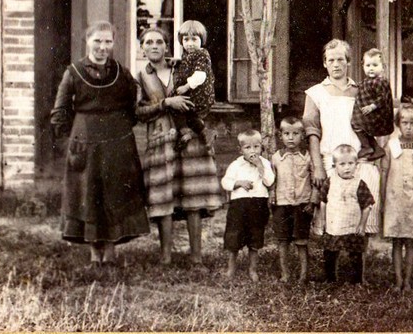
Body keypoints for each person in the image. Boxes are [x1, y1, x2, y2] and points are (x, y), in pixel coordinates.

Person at [50, 21, 149, 263]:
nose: (102, 47)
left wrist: (122, 130)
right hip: (85, 141)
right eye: (98, 41)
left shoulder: (121, 72)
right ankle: (95, 252)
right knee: (89, 195)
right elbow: (60, 111)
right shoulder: (73, 72)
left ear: (113, 44)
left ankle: (112, 250)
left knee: (115, 193)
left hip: (117, 143)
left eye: (108, 42)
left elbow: (132, 107)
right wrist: (70, 140)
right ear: (88, 41)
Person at [135, 27, 224, 266]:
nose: (154, 46)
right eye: (148, 43)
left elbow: (202, 90)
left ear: (167, 46)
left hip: (189, 140)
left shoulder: (182, 67)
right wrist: (165, 103)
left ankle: (196, 256)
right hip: (160, 140)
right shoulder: (142, 77)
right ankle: (165, 256)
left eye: (159, 42)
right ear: (142, 48)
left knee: (193, 195)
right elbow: (138, 112)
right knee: (164, 198)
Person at [303, 39, 381, 240]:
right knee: (331, 221)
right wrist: (318, 166)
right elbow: (312, 132)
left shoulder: (361, 91)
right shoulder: (315, 93)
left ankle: (358, 268)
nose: (336, 64)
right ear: (324, 63)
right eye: (331, 60)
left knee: (362, 216)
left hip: (360, 162)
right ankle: (331, 265)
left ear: (348, 62)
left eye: (340, 59)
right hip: (330, 161)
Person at [380, 102, 413, 291]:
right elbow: (384, 173)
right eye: (405, 123)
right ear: (398, 124)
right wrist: (383, 199)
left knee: (411, 241)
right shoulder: (391, 145)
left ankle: (408, 281)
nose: (408, 127)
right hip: (395, 200)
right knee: (396, 241)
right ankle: (398, 280)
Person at [271, 117, 320, 283]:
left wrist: (312, 202)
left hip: (302, 205)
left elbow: (315, 181)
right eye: (286, 134)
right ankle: (285, 274)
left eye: (295, 134)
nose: (290, 138)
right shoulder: (276, 158)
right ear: (280, 136)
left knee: (301, 241)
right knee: (282, 240)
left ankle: (303, 275)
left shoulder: (307, 157)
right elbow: (272, 180)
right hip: (282, 204)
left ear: (303, 135)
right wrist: (272, 197)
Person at [221, 129, 274, 280]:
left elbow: (269, 181)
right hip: (239, 205)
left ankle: (253, 269)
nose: (252, 151)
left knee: (255, 237)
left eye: (256, 147)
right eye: (248, 148)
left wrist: (260, 167)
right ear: (240, 150)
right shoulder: (236, 165)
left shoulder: (264, 163)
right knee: (234, 237)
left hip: (258, 204)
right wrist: (237, 183)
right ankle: (231, 268)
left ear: (261, 147)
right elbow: (225, 181)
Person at [322, 144, 375, 284]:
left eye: (351, 163)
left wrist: (362, 226)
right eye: (342, 164)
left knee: (355, 253)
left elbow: (367, 206)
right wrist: (322, 220)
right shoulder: (330, 181)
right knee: (330, 252)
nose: (347, 167)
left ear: (356, 165)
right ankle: (330, 279)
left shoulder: (359, 183)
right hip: (334, 226)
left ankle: (357, 281)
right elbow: (323, 201)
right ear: (335, 166)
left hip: (353, 226)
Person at [170, 20, 216, 153]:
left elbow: (200, 76)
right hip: (194, 95)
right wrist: (178, 62)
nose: (190, 44)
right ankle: (197, 133)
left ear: (202, 40)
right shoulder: (189, 55)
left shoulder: (202, 55)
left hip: (199, 94)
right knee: (189, 115)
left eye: (194, 39)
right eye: (186, 40)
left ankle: (190, 133)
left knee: (178, 109)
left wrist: (186, 87)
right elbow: (187, 64)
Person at [352, 48, 394, 161]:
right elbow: (361, 86)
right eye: (368, 65)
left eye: (375, 65)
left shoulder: (380, 81)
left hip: (377, 114)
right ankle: (376, 148)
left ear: (383, 67)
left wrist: (372, 106)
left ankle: (366, 147)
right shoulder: (367, 80)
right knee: (363, 127)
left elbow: (383, 98)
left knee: (357, 124)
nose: (371, 68)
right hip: (370, 113)